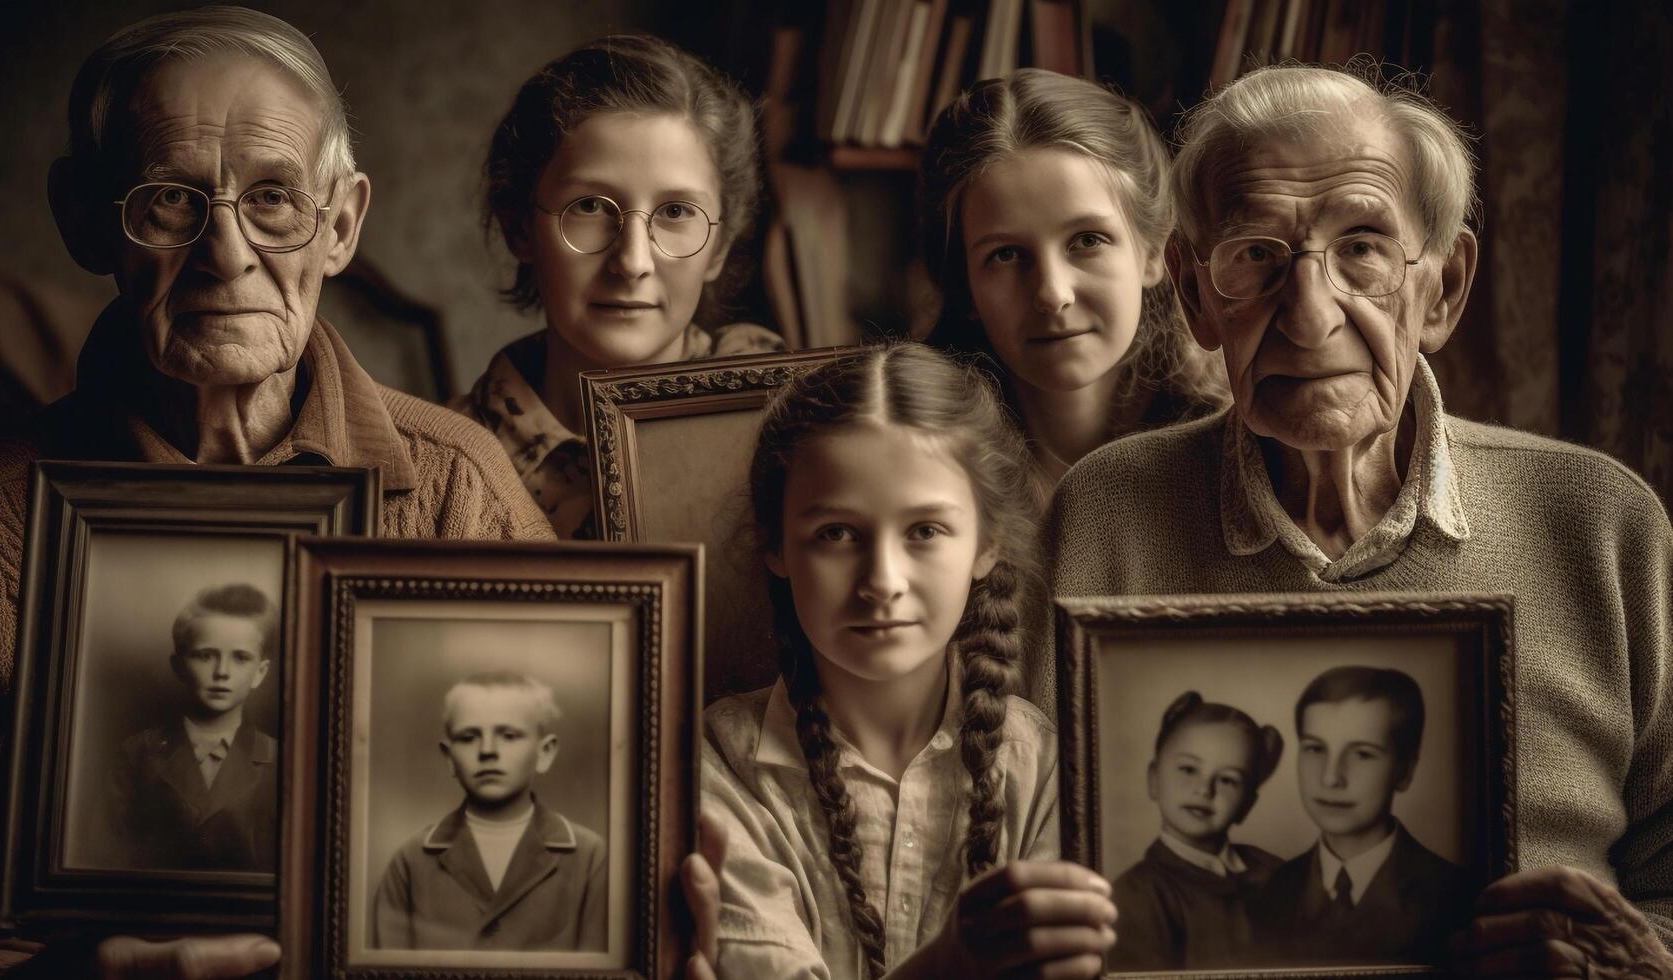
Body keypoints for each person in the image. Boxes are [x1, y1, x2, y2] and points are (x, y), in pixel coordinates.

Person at [0, 8, 553, 977]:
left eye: (274, 198)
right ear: (83, 215)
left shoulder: (457, 485)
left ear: (342, 224)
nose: (227, 253)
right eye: (168, 201)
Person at [1046, 62, 1673, 976]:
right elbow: (1025, 851)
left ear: (1444, 288)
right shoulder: (1106, 514)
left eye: (1363, 249)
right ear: (1193, 296)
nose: (1307, 317)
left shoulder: (1598, 523)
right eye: (1255, 254)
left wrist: (1629, 962)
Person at [698, 344, 1115, 979]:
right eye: (836, 533)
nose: (882, 581)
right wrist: (952, 965)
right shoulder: (715, 768)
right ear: (776, 544)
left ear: (988, 543)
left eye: (924, 531)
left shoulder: (1051, 776)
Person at [456, 35, 784, 539]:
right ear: (519, 226)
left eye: (676, 212)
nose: (631, 262)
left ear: (720, 247)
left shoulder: (789, 428)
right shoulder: (441, 465)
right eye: (588, 207)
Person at [913, 68, 1229, 502]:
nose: (1052, 294)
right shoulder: (916, 468)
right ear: (963, 283)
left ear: (1156, 252)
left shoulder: (1238, 453)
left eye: (1087, 241)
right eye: (1005, 254)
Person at [1247, 666, 1470, 966]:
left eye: (1362, 753)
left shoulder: (1456, 895)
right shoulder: (1268, 893)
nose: (1330, 778)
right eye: (1315, 749)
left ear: (1406, 770)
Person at [371, 672, 606, 952]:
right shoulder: (411, 860)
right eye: (469, 737)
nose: (487, 750)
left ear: (544, 752)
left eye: (508, 735)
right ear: (449, 758)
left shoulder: (589, 857)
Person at [102, 584, 279, 873]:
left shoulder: (280, 762)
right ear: (179, 666)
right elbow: (106, 857)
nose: (222, 671)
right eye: (206, 655)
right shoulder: (137, 755)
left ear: (260, 672)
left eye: (240, 657)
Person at [1110, 691, 1283, 970]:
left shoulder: (1279, 874)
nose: (1205, 789)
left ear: (1246, 805)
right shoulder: (1137, 896)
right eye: (1189, 769)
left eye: (1228, 780)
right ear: (1154, 779)